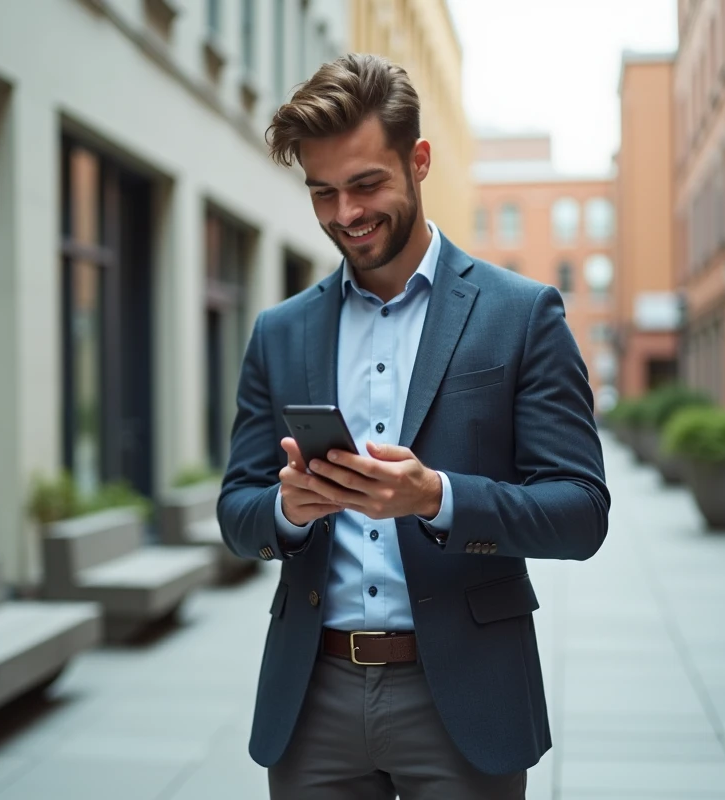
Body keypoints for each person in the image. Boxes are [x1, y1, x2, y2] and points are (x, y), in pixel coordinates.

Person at [217, 52, 611, 800]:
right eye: (323, 192)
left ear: (419, 160)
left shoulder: (521, 316)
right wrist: (286, 512)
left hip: (464, 693)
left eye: (366, 184)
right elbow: (237, 513)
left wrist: (436, 498)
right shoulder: (280, 331)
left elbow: (581, 514)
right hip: (312, 700)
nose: (345, 215)